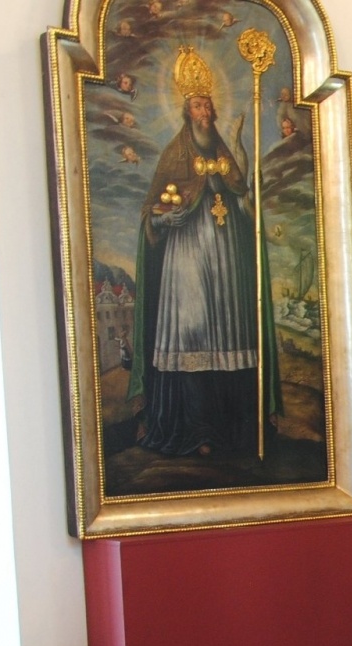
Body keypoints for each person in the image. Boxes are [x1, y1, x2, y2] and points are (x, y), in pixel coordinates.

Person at [129, 45, 279, 457]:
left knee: (229, 338)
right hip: (187, 260)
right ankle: (196, 430)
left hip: (226, 259)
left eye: (208, 105)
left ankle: (232, 429)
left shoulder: (224, 153)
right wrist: (165, 219)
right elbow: (151, 212)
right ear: (186, 111)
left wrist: (246, 185)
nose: (206, 112)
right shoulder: (175, 154)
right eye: (198, 105)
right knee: (192, 334)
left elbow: (242, 200)